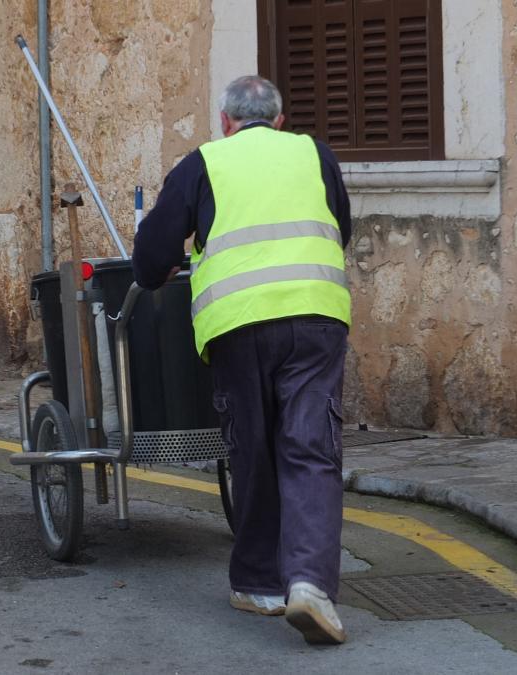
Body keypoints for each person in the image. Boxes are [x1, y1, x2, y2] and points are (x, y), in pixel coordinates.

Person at [132, 75, 352, 645]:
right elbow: (340, 230)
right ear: (279, 120)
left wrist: (161, 273)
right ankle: (309, 584)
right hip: (315, 315)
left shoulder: (204, 162)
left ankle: (259, 584)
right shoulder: (315, 154)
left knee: (250, 448)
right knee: (311, 450)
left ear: (225, 121)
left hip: (236, 324)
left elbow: (152, 252)